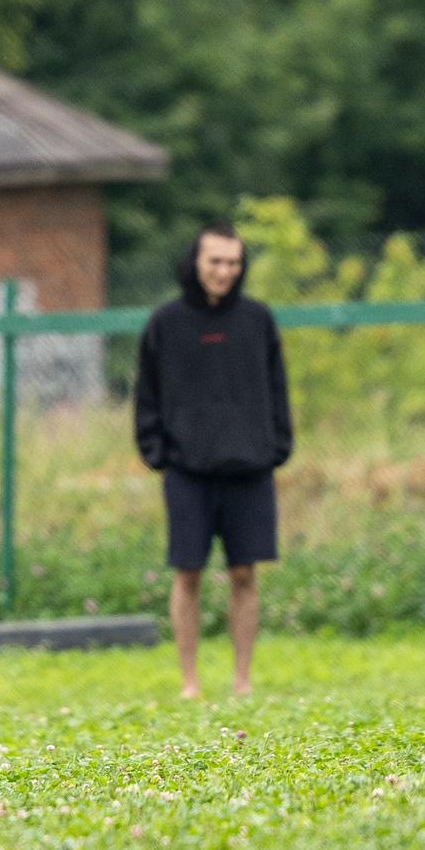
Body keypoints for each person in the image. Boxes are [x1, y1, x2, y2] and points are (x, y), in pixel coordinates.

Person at [133, 221, 293, 699]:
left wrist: (277, 447)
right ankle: (190, 682)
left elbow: (278, 389)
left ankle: (242, 681)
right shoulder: (166, 322)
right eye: (215, 261)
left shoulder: (258, 320)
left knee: (244, 573)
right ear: (196, 263)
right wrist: (157, 454)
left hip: (250, 470)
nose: (224, 271)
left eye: (233, 263)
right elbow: (146, 395)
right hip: (186, 472)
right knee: (189, 573)